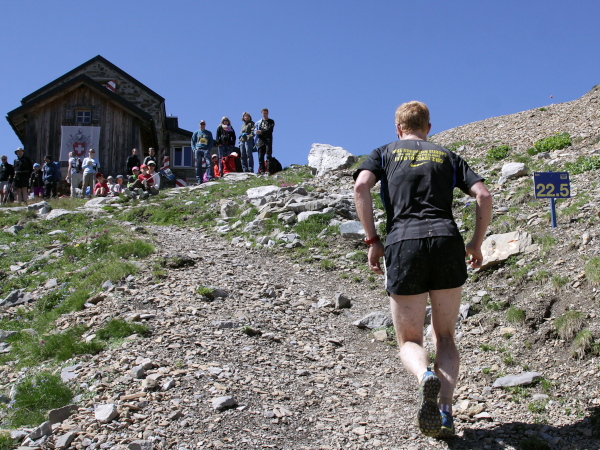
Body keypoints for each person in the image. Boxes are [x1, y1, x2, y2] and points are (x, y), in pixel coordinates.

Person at [353, 101, 492, 438]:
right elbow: (484, 196)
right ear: (428, 127)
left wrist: (372, 240)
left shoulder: (383, 153)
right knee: (445, 336)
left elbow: (361, 187)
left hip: (404, 243)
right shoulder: (447, 156)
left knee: (410, 339)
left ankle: (424, 376)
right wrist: (475, 243)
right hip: (446, 241)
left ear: (398, 128)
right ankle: (445, 411)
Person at [254, 108, 275, 174]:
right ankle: (262, 171)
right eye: (263, 113)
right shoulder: (259, 122)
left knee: (268, 155)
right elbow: (255, 130)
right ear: (262, 113)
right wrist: (257, 132)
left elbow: (270, 130)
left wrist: (262, 132)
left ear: (268, 113)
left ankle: (268, 170)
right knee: (260, 155)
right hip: (261, 140)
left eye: (266, 113)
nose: (265, 114)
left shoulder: (271, 121)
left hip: (268, 140)